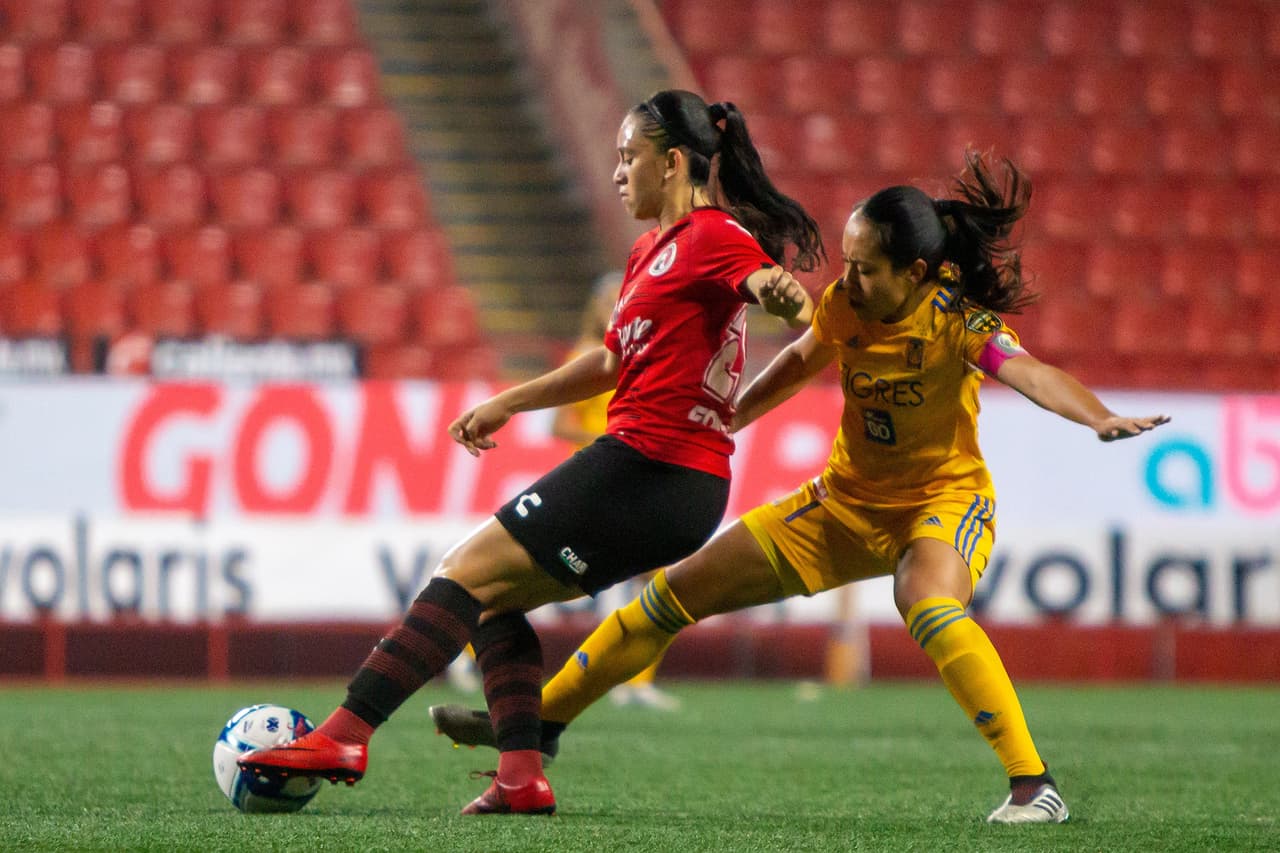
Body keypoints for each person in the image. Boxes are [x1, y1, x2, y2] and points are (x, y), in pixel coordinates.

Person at [428, 150, 1171, 823]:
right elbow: (803, 358)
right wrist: (735, 414)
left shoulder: (956, 319)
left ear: (914, 273)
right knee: (670, 596)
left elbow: (1030, 372)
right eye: (846, 262)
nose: (847, 279)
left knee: (927, 604)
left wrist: (1098, 417)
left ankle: (1031, 783)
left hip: (940, 503)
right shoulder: (848, 304)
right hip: (841, 504)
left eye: (866, 266)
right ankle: (539, 725)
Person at [237, 88, 825, 815]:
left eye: (628, 156)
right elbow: (610, 364)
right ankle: (521, 776)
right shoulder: (648, 252)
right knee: (490, 599)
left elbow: (773, 287)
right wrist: (510, 401)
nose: (618, 172)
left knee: (462, 570)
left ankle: (345, 734)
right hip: (667, 480)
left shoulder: (712, 236)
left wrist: (779, 290)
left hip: (652, 466)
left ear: (673, 161)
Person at [552, 270, 681, 711]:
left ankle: (637, 682)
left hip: (627, 477)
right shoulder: (588, 355)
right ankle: (468, 648)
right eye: (609, 298)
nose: (616, 305)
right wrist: (603, 445)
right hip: (593, 479)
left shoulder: (637, 357)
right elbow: (559, 421)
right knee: (540, 578)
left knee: (659, 576)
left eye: (621, 298)